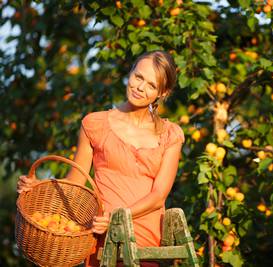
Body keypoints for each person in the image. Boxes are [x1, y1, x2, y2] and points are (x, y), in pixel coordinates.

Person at [16, 50, 185, 267]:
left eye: (151, 85)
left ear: (163, 92)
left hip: (142, 234)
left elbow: (159, 195)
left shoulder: (170, 134)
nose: (140, 87)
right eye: (138, 77)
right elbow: (75, 182)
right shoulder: (95, 124)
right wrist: (38, 186)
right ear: (131, 72)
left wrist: (117, 216)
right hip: (100, 230)